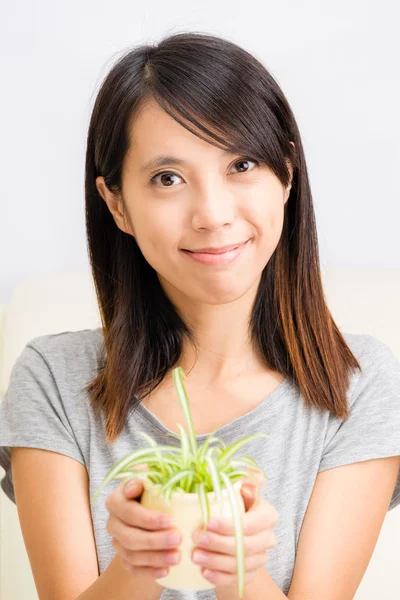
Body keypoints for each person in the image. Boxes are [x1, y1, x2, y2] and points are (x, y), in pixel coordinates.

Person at [1, 31, 400, 600]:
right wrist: (139, 564)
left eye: (242, 164)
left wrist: (239, 568)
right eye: (168, 179)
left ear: (285, 174)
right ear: (117, 205)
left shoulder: (356, 386)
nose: (212, 214)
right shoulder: (54, 378)